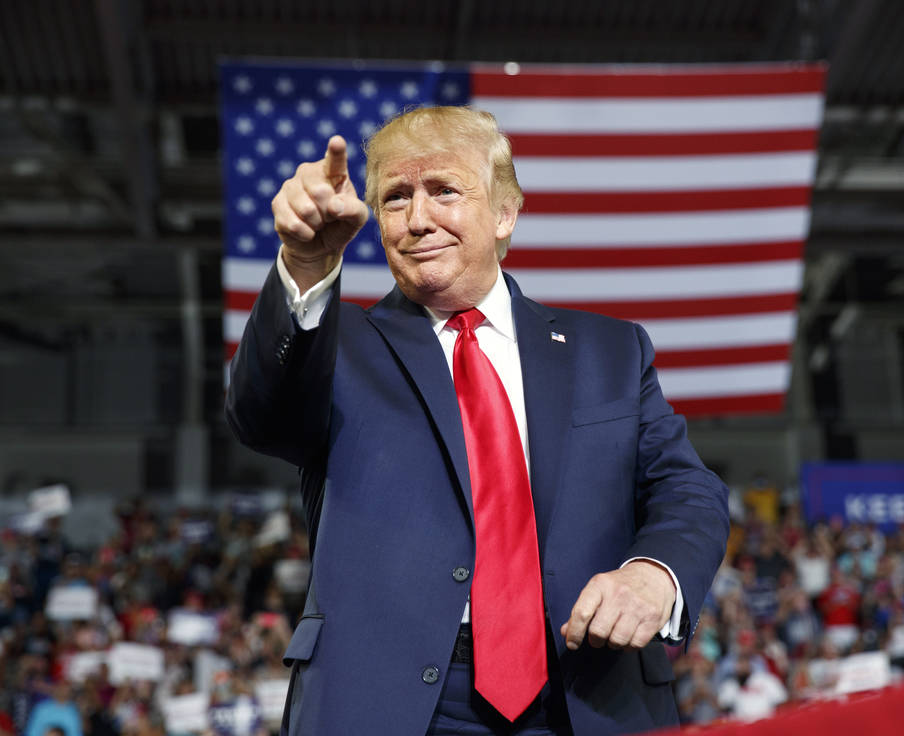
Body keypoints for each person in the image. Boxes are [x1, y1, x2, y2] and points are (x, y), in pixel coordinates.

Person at [226, 105, 729, 735]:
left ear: (504, 213)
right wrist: (304, 267)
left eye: (443, 191)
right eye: (395, 197)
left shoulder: (611, 351)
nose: (417, 219)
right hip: (386, 707)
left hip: (585, 695)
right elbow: (259, 417)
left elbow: (688, 490)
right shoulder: (334, 343)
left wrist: (655, 575)